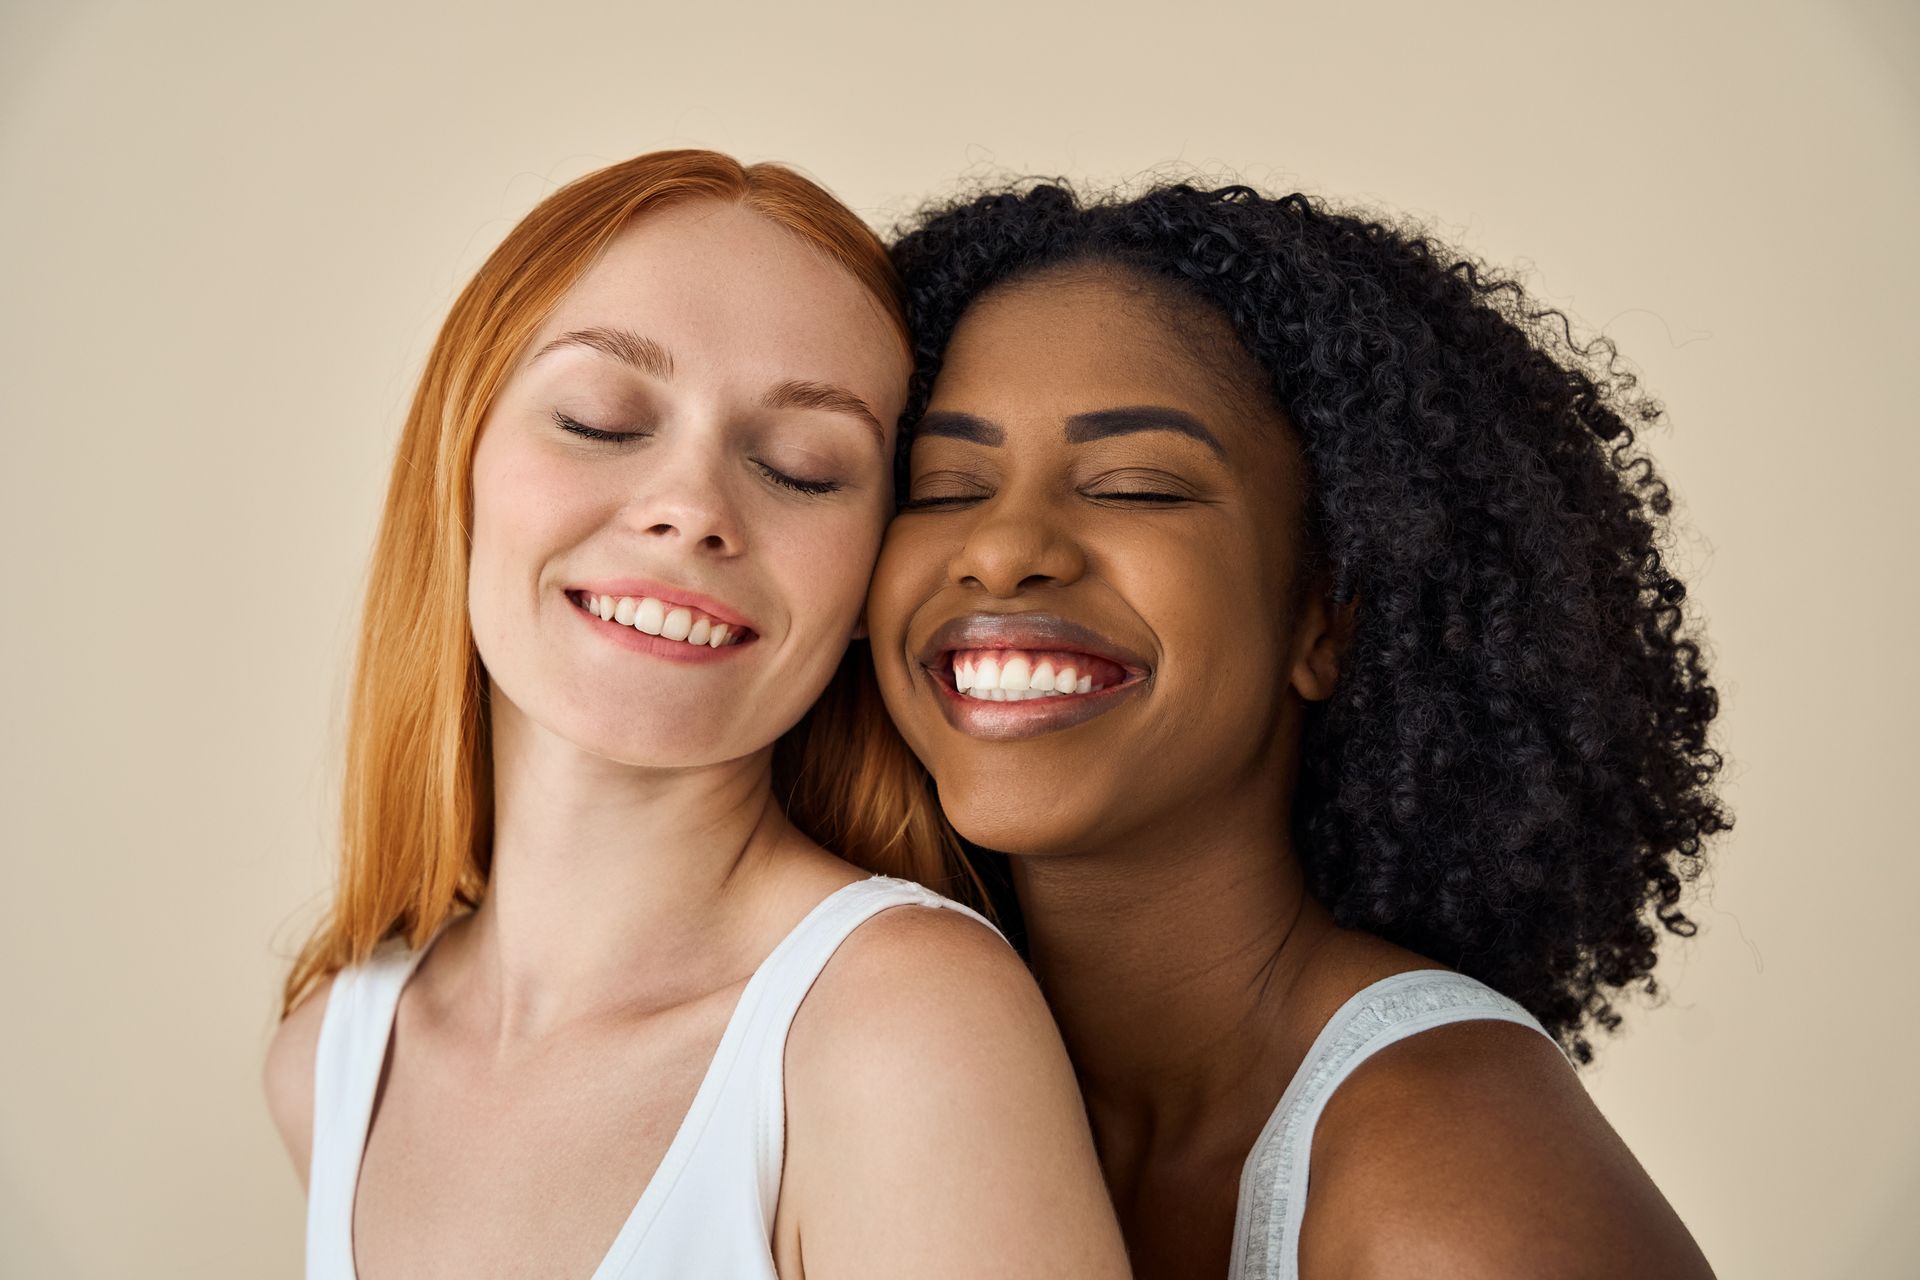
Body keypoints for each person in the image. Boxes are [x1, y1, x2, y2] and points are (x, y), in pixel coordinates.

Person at [262, 151, 1130, 1280]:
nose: (692, 508)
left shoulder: (900, 1029)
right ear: (457, 458)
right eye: (601, 418)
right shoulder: (328, 1061)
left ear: (872, 571)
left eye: (803, 467)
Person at [862, 180, 1730, 1278]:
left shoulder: (1459, 1174)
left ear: (1325, 617)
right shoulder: (869, 1062)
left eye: (1136, 487)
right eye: (944, 485)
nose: (1003, 546)